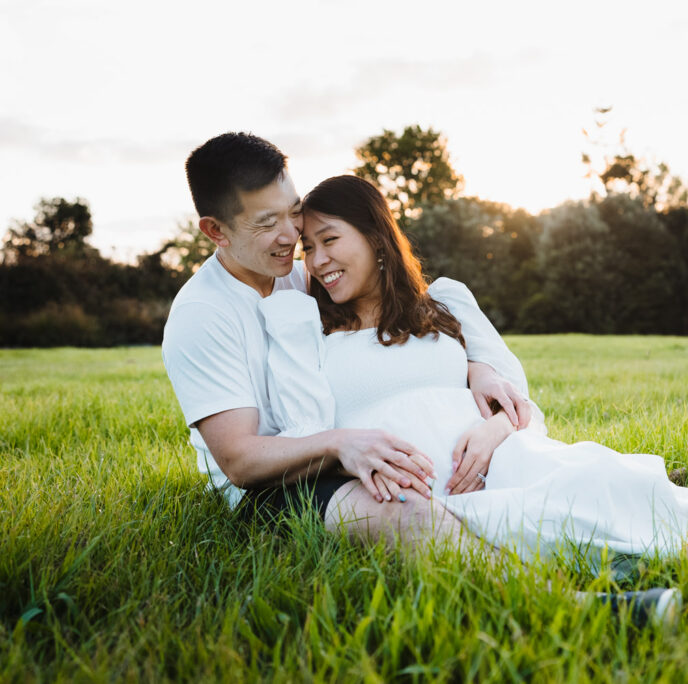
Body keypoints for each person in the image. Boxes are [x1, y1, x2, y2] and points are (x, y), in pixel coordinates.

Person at [257, 174, 688, 573]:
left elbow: (517, 399)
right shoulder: (307, 329)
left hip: (496, 453)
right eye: (309, 248)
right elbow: (303, 427)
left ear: (378, 238)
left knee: (591, 475)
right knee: (529, 519)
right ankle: (659, 561)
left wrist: (491, 432)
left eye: (330, 240)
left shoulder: (447, 302)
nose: (320, 260)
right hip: (417, 487)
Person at [162, 133, 535, 548]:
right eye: (267, 223)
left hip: (337, 452)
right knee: (408, 511)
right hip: (273, 485)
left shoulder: (294, 272)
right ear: (216, 231)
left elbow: (406, 311)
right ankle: (573, 606)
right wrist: (341, 445)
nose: (291, 236)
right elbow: (239, 460)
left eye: (294, 212)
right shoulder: (203, 314)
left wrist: (477, 365)